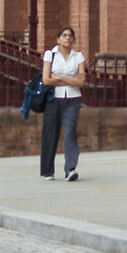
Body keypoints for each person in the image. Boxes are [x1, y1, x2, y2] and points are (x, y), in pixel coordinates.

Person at [40, 26, 86, 181]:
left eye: (70, 36)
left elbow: (81, 81)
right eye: (64, 35)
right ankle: (48, 171)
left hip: (73, 99)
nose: (67, 38)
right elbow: (46, 80)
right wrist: (71, 80)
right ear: (58, 39)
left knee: (69, 132)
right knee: (50, 133)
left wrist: (59, 78)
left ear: (73, 40)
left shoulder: (78, 56)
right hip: (54, 99)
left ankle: (70, 169)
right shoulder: (50, 55)